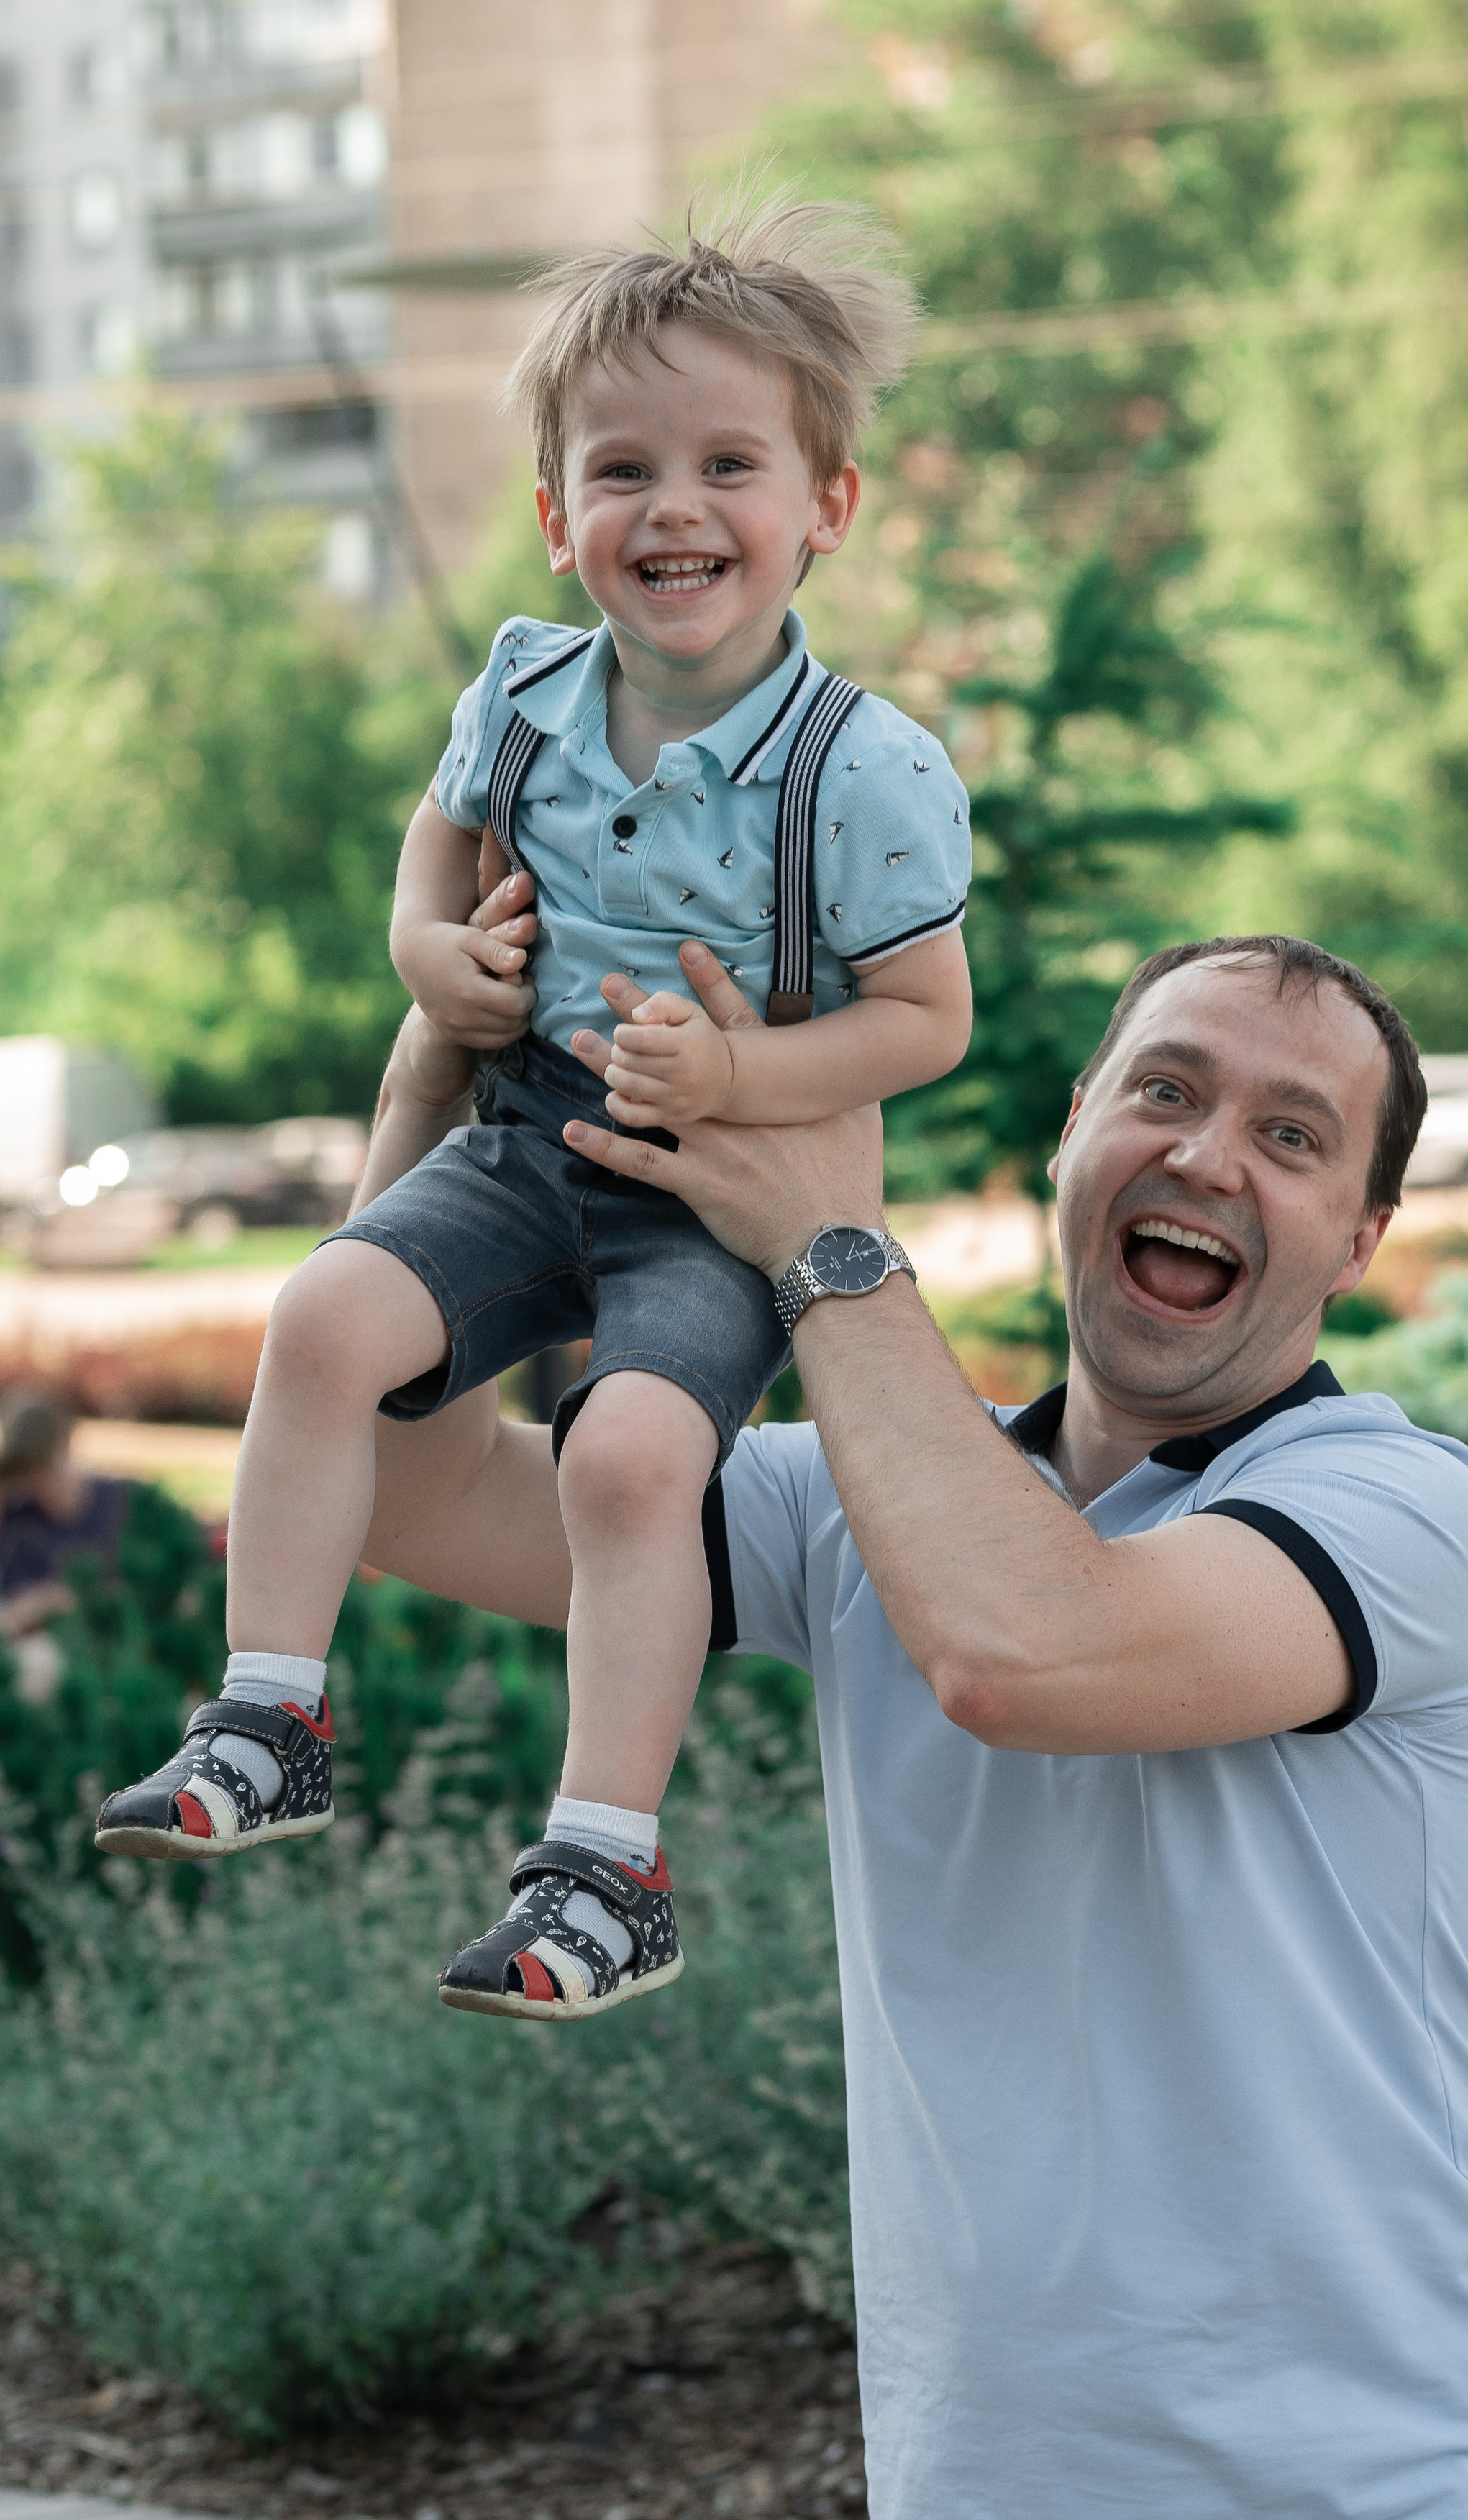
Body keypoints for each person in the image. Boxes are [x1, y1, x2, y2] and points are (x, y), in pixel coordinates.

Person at [342, 929, 1468, 2519]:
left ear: (1357, 1240)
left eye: (1291, 1136)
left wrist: (827, 1241)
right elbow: (411, 1493)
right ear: (1072, 1129)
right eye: (1164, 1088)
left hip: (1383, 2482)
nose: (1206, 1155)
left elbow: (1021, 1653)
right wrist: (435, 1090)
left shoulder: (1398, 1508)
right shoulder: (852, 1502)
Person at [94, 191, 975, 2029]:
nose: (673, 508)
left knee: (630, 1460)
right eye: (622, 469)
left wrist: (746, 1073)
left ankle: (606, 1865)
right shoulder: (521, 689)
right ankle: (270, 1710)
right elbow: (430, 872)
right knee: (325, 1310)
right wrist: (433, 961)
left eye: (728, 463)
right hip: (521, 1132)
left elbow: (923, 1022)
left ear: (825, 509)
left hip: (701, 1183)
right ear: (562, 518)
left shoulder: (864, 770)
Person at [0, 1388, 133, 1701]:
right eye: (27, 1475)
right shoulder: (21, 1520)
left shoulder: (122, 1502)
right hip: (48, 1652)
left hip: (119, 1645)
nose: (37, 1484)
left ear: (66, 1446)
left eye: (43, 1469)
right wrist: (47, 1600)